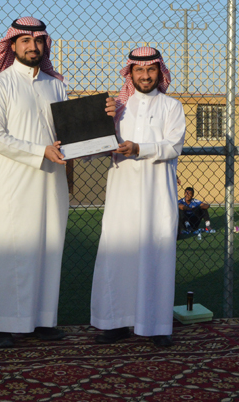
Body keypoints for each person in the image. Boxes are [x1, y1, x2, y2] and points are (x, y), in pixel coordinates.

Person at [0, 16, 114, 348]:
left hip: (52, 184)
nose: (32, 46)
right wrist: (40, 151)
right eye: (25, 41)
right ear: (12, 45)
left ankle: (42, 321)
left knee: (48, 249)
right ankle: (2, 324)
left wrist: (105, 120)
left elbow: (71, 136)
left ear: (45, 44)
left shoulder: (56, 86)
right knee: (10, 250)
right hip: (13, 184)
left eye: (38, 40)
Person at [90, 46, 186, 348]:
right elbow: (97, 145)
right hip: (122, 195)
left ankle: (156, 326)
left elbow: (173, 146)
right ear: (130, 73)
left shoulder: (172, 107)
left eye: (151, 70)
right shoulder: (117, 107)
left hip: (158, 196)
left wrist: (139, 148)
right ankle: (114, 323)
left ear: (160, 72)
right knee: (117, 256)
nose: (145, 76)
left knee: (157, 257)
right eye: (139, 70)